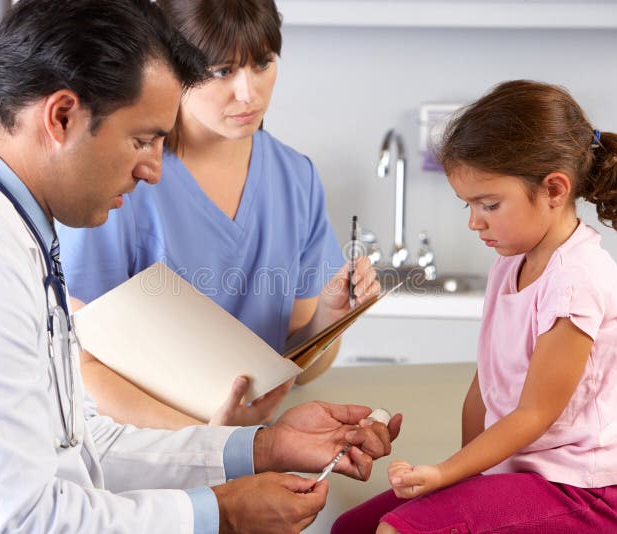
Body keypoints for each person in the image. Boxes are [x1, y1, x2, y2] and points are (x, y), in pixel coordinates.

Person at [0, 1, 402, 532]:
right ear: (62, 116)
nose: (154, 171)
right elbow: (22, 520)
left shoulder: (10, 228)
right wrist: (222, 512)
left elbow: (83, 445)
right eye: (142, 140)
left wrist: (263, 446)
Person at [332, 80, 617, 534]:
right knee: (351, 528)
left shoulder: (576, 282)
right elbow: (484, 389)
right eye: (468, 204)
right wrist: (464, 481)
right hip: (520, 476)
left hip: (579, 494)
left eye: (489, 204)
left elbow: (534, 413)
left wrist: (446, 474)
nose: (473, 221)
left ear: (554, 190)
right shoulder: (511, 264)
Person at [56, 0, 379, 429]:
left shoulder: (294, 177)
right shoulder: (123, 180)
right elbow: (84, 368)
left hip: (254, 454)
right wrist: (216, 444)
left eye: (263, 63)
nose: (249, 93)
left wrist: (329, 319)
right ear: (173, 66)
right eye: (222, 71)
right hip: (148, 456)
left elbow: (293, 369)